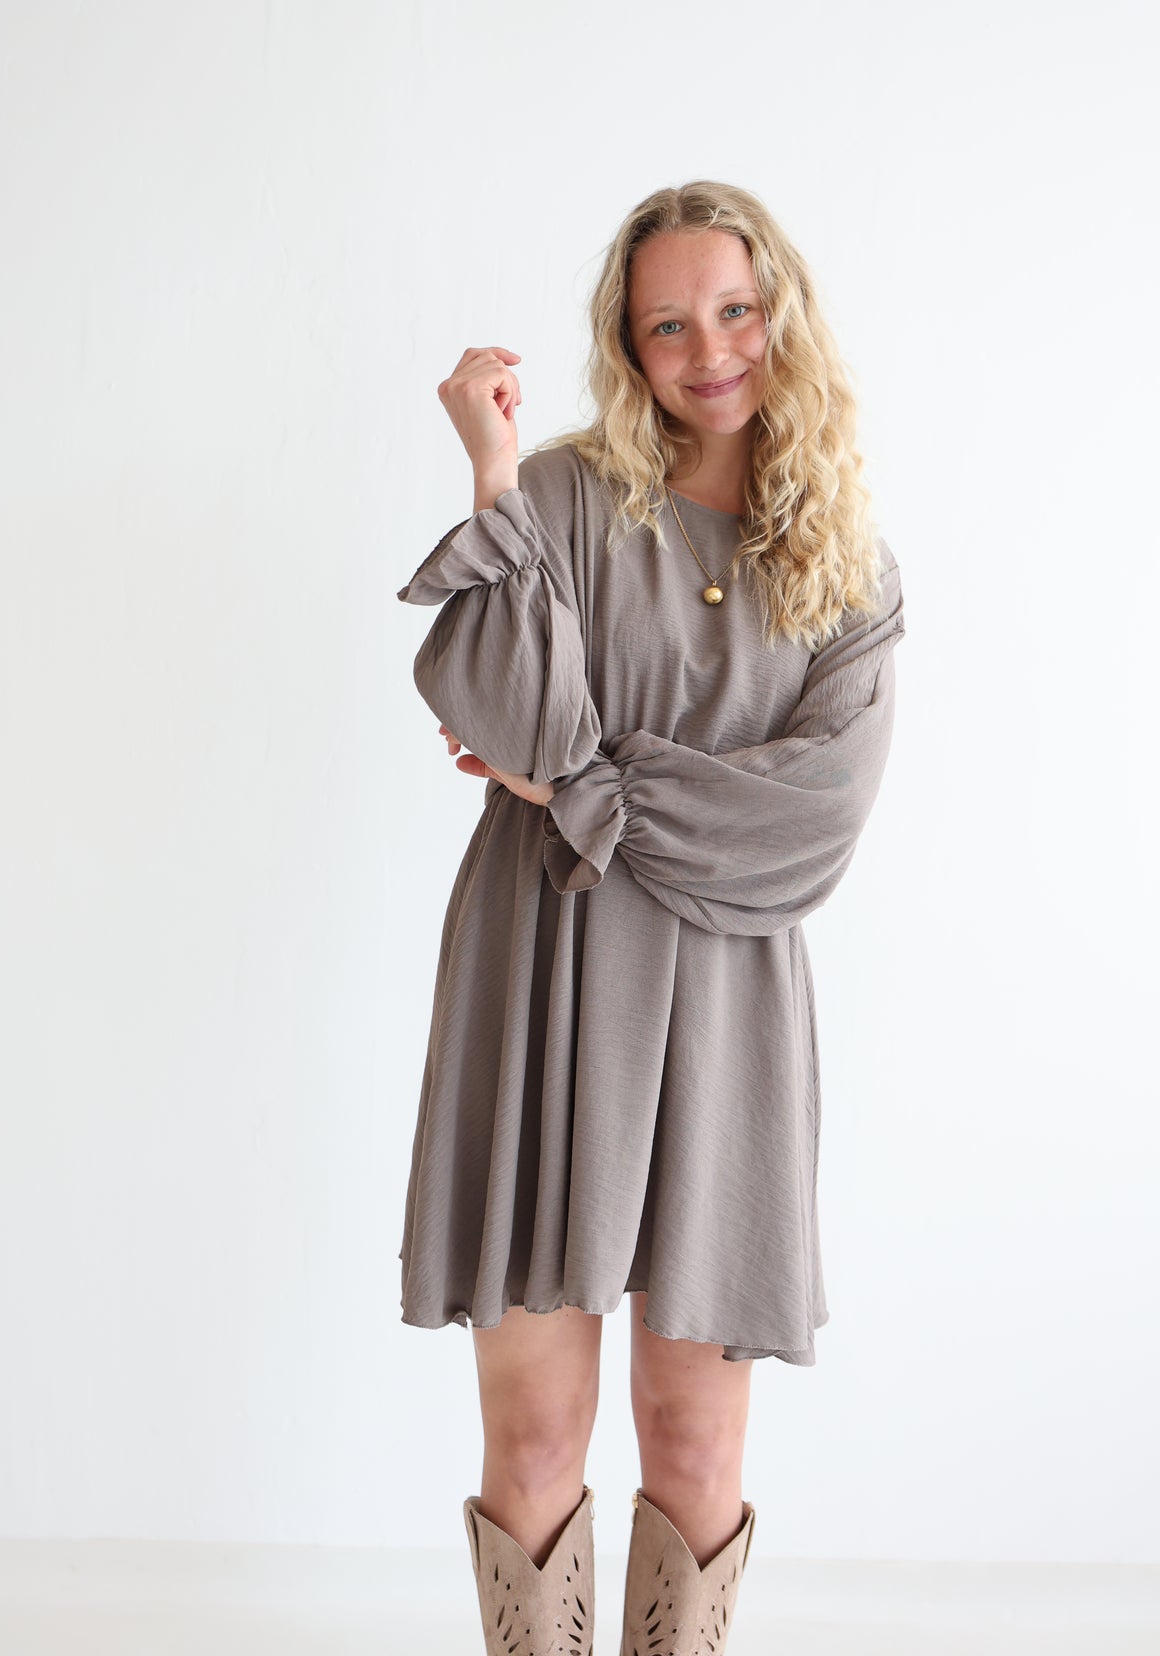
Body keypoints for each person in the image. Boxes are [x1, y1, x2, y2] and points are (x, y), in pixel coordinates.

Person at [394, 179, 906, 1654]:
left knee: (692, 1442)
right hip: (543, 973)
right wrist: (492, 470)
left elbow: (811, 825)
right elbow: (499, 705)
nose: (710, 350)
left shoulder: (847, 558)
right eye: (668, 324)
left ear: (782, 312)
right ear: (627, 344)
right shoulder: (560, 497)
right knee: (535, 1439)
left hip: (725, 1012)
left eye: (735, 311)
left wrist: (578, 782)